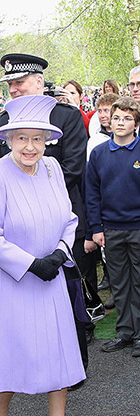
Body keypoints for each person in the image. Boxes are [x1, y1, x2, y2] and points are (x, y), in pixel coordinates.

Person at [0, 94, 87, 416]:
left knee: (59, 350)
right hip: (13, 281)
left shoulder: (54, 168)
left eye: (37, 138)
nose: (30, 146)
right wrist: (29, 264)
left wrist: (59, 252)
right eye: (22, 137)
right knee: (16, 350)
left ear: (47, 141)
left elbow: (69, 219)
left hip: (51, 275)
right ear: (8, 139)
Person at [0, 53, 92, 376]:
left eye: (19, 83)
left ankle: (68, 371)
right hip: (19, 239)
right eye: (9, 84)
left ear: (38, 82)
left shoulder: (67, 116)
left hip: (59, 229)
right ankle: (28, 373)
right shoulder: (1, 122)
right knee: (24, 317)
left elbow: (74, 168)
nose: (14, 90)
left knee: (66, 306)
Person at [85, 97, 140, 357]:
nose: (121, 122)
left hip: (138, 227)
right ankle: (125, 331)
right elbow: (92, 194)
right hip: (111, 229)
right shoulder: (98, 153)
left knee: (139, 281)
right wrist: (95, 228)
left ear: (136, 123)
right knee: (119, 283)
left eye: (127, 118)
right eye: (117, 117)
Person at [86, 93, 120, 312]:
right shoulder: (96, 142)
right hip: (108, 213)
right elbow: (92, 184)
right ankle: (118, 295)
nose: (104, 115)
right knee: (112, 261)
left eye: (109, 111)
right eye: (101, 111)